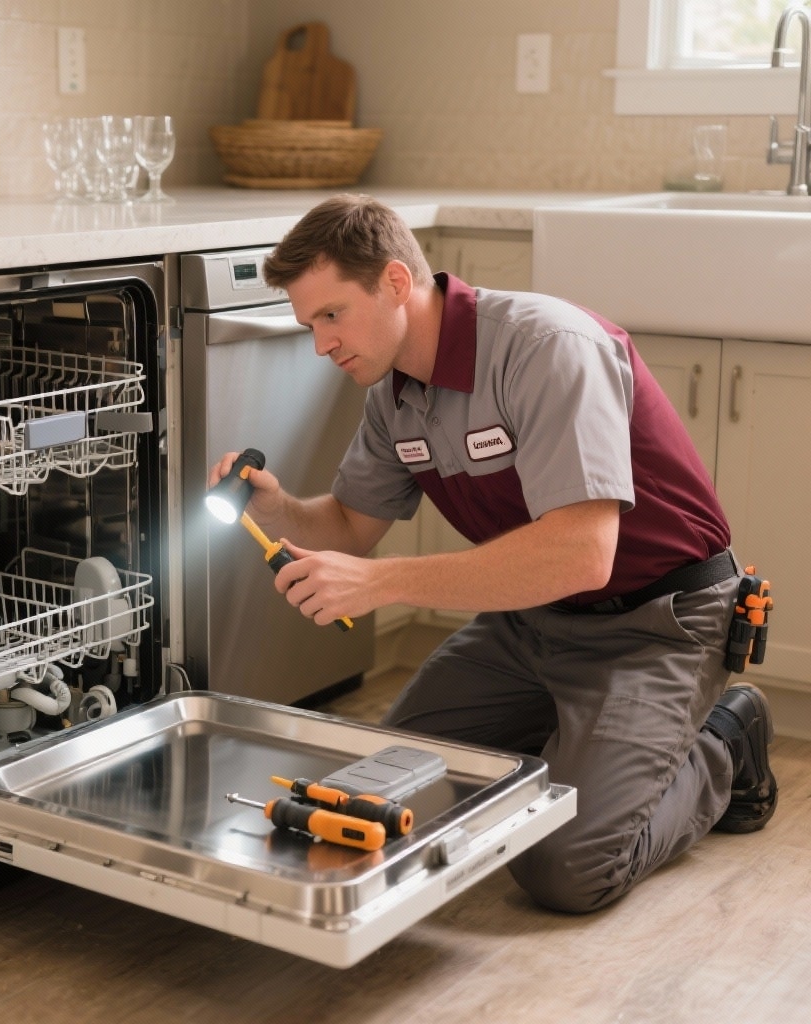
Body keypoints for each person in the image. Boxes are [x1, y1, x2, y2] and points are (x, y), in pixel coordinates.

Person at [208, 194, 778, 913]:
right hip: (531, 622)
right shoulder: (393, 397)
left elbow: (582, 555)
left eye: (331, 315)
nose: (321, 343)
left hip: (657, 623)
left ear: (392, 283)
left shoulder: (547, 349)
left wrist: (382, 584)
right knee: (381, 798)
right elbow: (352, 527)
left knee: (567, 868)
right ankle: (583, 745)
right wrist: (277, 507)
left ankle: (725, 741)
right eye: (307, 323)